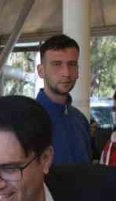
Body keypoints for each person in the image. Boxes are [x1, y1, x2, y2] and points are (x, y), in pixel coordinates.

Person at [35, 35, 93, 165]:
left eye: (72, 64)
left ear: (78, 70)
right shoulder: (27, 119)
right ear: (41, 71)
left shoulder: (80, 120)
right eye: (57, 64)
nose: (66, 73)